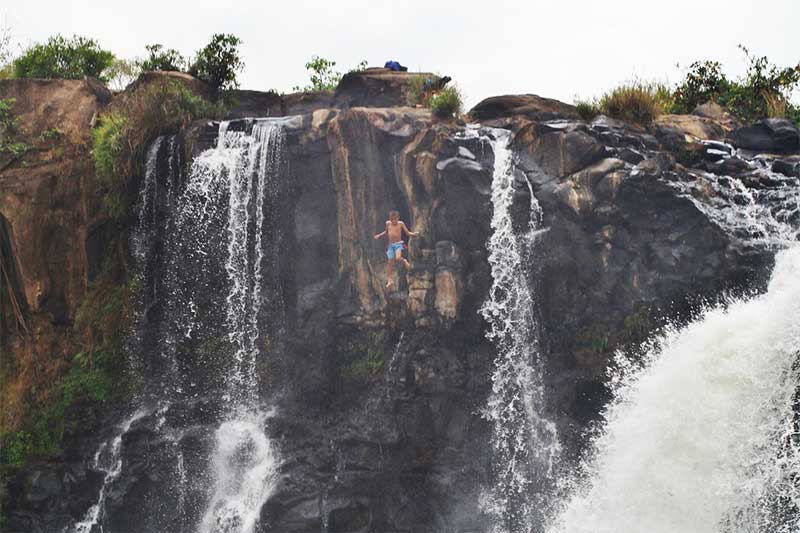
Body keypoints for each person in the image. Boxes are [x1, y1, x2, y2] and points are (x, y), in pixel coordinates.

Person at [373, 210, 419, 289]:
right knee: (390, 262)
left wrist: (414, 234)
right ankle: (390, 280)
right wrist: (379, 235)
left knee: (398, 258)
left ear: (398, 218)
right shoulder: (388, 223)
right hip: (390, 245)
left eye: (395, 219)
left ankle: (404, 261)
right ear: (390, 219)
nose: (394, 221)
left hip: (398, 244)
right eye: (392, 220)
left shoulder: (401, 224)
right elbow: (385, 232)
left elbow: (407, 233)